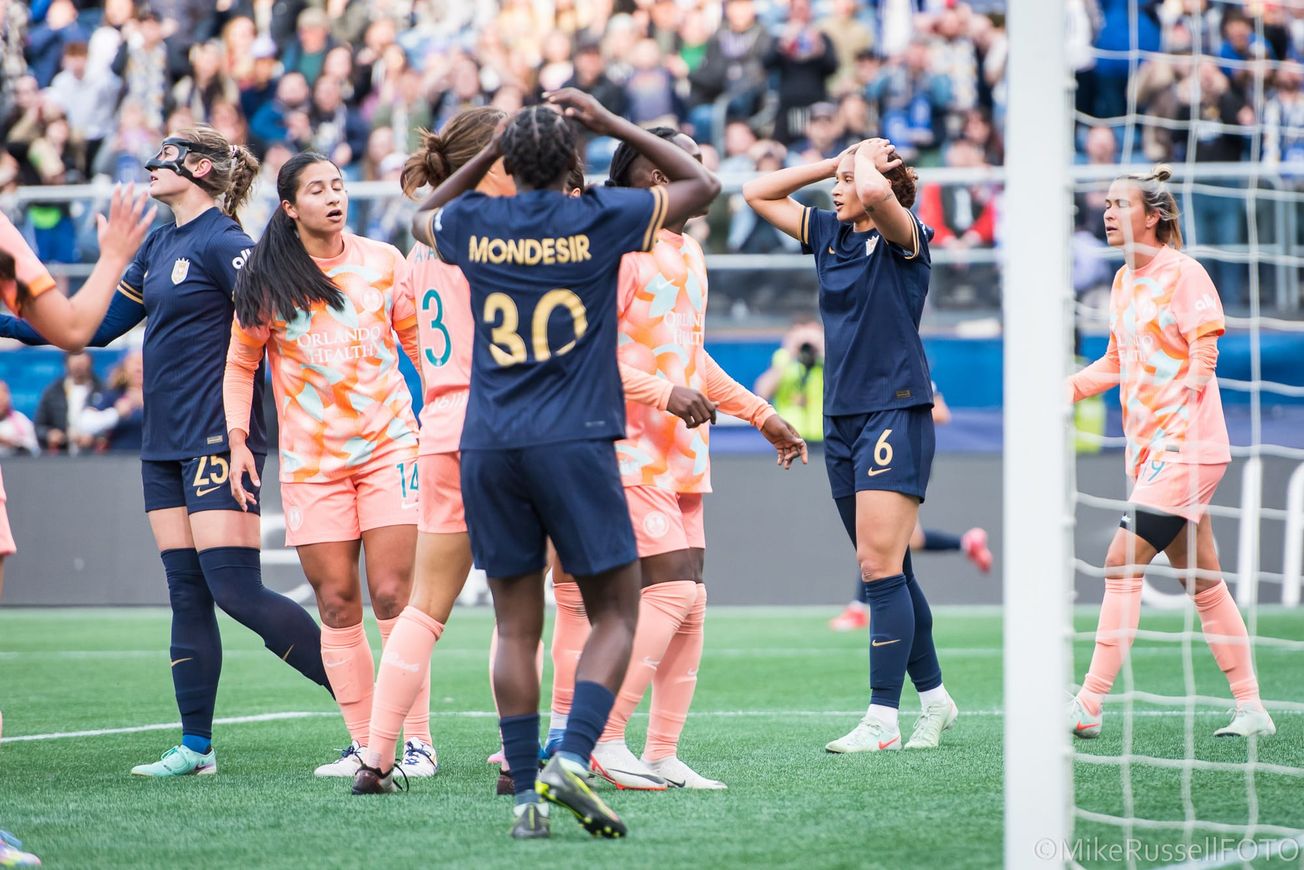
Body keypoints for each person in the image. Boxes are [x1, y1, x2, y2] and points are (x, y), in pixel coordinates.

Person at [410, 91, 719, 839]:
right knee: (618, 608)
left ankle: (525, 803)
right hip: (574, 441)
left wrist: (491, 152)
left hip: (489, 443)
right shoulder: (601, 217)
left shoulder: (477, 223)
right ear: (577, 163)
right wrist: (613, 122)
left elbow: (421, 214)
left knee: (517, 626)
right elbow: (704, 187)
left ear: (511, 164)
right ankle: (571, 756)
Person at [0, 126, 333, 777]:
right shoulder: (157, 244)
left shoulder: (228, 243)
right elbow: (91, 331)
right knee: (187, 593)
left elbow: (284, 325)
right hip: (164, 444)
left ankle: (374, 715)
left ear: (201, 168)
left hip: (218, 436)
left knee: (235, 589)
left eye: (165, 158)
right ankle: (196, 748)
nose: (151, 167)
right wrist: (9, 319)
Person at [547, 127, 806, 792]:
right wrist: (663, 393)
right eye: (696, 164)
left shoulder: (687, 252)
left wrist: (761, 412)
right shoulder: (615, 251)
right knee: (672, 589)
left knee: (692, 601)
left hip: (683, 451)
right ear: (655, 176)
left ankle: (660, 750)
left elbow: (690, 357)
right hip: (623, 448)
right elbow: (583, 354)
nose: (708, 180)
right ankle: (600, 738)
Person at [743, 137, 958, 753]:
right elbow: (757, 192)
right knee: (892, 567)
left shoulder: (903, 235)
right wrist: (838, 156)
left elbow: (869, 192)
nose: (835, 189)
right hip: (841, 420)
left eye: (843, 180)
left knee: (877, 568)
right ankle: (936, 699)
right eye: (835, 180)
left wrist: (866, 163)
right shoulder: (828, 235)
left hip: (896, 408)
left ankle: (881, 720)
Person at [225, 153, 425, 778]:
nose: (334, 196)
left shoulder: (384, 262)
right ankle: (367, 746)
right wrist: (237, 441)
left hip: (391, 446)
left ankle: (413, 744)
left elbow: (422, 347)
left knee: (392, 596)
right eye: (317, 189)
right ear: (290, 208)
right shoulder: (266, 280)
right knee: (338, 604)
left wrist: (453, 414)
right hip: (313, 465)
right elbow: (239, 366)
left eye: (338, 185)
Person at [1066, 167, 1272, 740]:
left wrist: (1186, 406)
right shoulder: (1121, 282)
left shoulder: (1183, 273)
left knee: (1119, 562)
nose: (1106, 213)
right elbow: (1117, 359)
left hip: (1186, 446)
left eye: (1119, 204)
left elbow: (1205, 348)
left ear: (1152, 216)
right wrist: (1066, 388)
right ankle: (1252, 707)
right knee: (1203, 581)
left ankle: (1089, 702)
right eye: (1104, 204)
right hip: (1150, 449)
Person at [350, 107, 515, 797]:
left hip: (440, 424)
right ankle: (522, 751)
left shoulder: (424, 243)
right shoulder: (498, 230)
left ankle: (377, 760)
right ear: (490, 163)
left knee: (423, 609)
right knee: (527, 602)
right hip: (504, 420)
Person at [829, 384, 993, 633]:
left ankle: (858, 608)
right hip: (880, 458)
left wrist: (895, 415)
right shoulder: (868, 372)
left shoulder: (907, 373)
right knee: (907, 539)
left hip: (898, 459)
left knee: (877, 535)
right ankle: (967, 543)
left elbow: (941, 413)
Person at [33, 351, 105, 454]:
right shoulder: (53, 391)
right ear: (66, 364)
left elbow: (112, 423)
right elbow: (39, 426)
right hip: (62, 455)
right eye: (75, 363)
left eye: (82, 364)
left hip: (94, 456)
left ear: (90, 363)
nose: (79, 368)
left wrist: (94, 437)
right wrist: (50, 434)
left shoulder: (103, 390)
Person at [79, 350, 146, 452]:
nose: (139, 368)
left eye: (143, 363)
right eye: (134, 363)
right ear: (124, 368)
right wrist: (117, 413)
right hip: (118, 460)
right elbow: (86, 423)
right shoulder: (113, 394)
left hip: (154, 460)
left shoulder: (161, 397)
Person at [0, 382, 39, 457]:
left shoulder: (20, 419)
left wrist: (9, 442)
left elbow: (34, 449)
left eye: (3, 394)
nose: (1, 399)